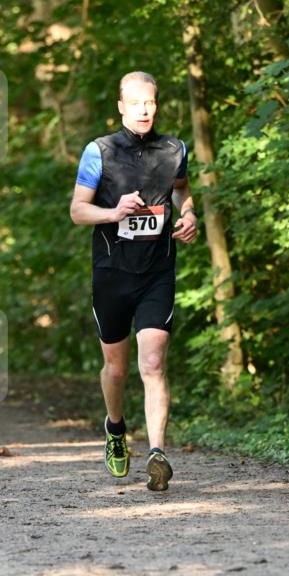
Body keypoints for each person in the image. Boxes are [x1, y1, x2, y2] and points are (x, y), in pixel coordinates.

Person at [70, 71, 198, 491]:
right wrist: (113, 212)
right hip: (112, 274)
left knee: (154, 363)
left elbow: (181, 189)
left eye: (150, 103)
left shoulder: (174, 149)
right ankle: (115, 427)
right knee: (117, 368)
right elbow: (78, 210)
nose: (144, 110)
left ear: (156, 105)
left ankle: (157, 452)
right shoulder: (99, 151)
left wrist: (189, 214)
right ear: (121, 106)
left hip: (157, 271)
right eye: (136, 103)